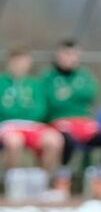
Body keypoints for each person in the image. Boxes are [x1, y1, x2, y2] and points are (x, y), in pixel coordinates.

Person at [43, 38, 101, 199]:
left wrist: (67, 94)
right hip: (60, 123)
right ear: (58, 55)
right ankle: (62, 179)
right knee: (68, 142)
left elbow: (89, 94)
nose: (70, 58)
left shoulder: (84, 75)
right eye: (66, 54)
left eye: (74, 54)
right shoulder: (48, 77)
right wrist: (72, 95)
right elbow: (52, 102)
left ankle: (99, 178)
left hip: (84, 124)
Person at [0, 46, 65, 194]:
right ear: (10, 62)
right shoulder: (1, 82)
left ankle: (39, 184)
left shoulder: (36, 84)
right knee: (14, 141)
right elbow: (2, 110)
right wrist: (18, 112)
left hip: (32, 125)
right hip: (7, 125)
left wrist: (21, 112)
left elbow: (40, 110)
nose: (20, 65)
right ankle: (14, 185)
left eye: (24, 61)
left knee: (55, 140)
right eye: (17, 61)